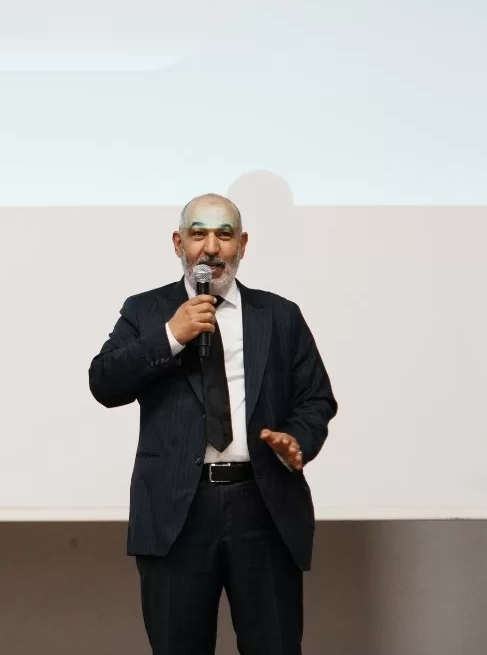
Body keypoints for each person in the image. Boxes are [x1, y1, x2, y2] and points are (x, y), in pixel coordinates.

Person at [88, 193, 336, 655]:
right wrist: (170, 336)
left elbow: (315, 398)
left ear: (243, 244)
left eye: (224, 234)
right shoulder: (145, 311)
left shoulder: (279, 316)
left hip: (263, 505)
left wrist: (297, 439)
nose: (211, 247)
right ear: (177, 243)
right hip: (176, 513)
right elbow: (104, 383)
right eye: (198, 234)